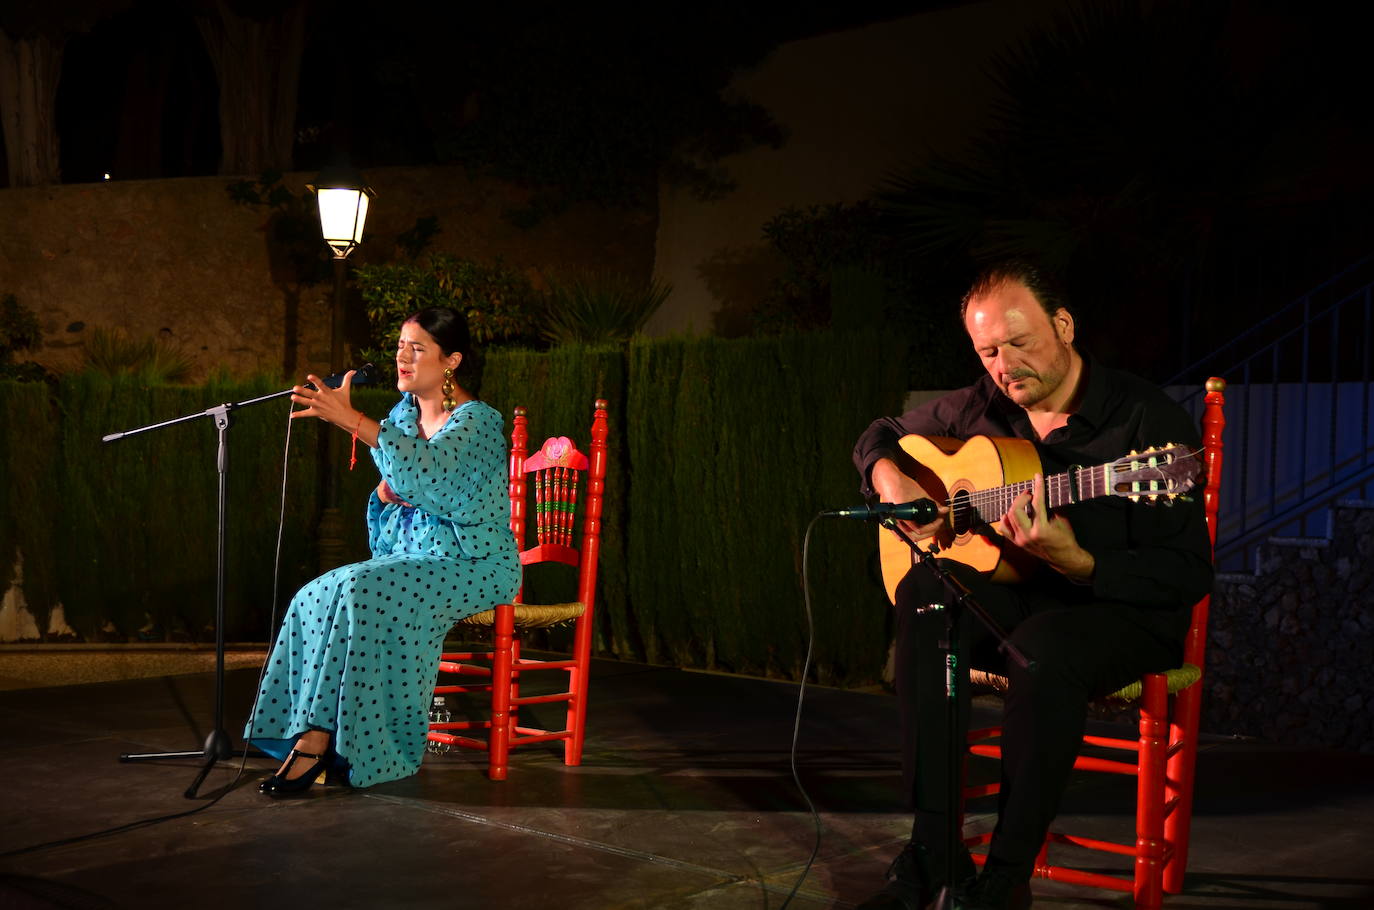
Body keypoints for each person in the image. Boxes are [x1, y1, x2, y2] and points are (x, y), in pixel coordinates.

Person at [852, 262, 1213, 909]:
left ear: (1064, 325)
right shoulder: (984, 405)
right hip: (1025, 602)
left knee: (1043, 649)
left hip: (1124, 613)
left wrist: (1083, 563)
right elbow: (878, 435)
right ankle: (934, 847)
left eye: (1019, 342)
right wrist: (893, 481)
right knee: (927, 598)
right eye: (988, 351)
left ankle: (1004, 876)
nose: (1004, 364)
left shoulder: (1146, 423)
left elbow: (1188, 573)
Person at [246, 306, 520, 795]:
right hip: (417, 558)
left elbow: (431, 472)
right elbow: (404, 479)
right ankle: (312, 734)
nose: (403, 357)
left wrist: (352, 420)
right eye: (400, 346)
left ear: (451, 360)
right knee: (316, 592)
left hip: (476, 563)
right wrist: (386, 491)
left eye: (417, 348)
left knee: (362, 587)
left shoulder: (477, 422)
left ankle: (349, 744)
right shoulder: (403, 417)